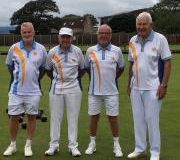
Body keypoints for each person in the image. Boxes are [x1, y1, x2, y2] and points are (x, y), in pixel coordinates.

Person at [127, 12, 171, 160]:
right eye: (139, 24)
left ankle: (155, 152)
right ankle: (140, 148)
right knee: (138, 119)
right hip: (136, 87)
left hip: (153, 86)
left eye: (144, 24)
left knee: (152, 119)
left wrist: (163, 85)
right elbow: (131, 64)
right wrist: (129, 85)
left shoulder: (160, 39)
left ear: (151, 25)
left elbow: (167, 62)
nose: (141, 27)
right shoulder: (133, 40)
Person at [3, 22, 47, 157]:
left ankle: (28, 145)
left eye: (29, 32)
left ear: (34, 32)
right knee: (14, 118)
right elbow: (10, 66)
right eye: (24, 33)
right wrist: (19, 77)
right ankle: (13, 145)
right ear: (21, 34)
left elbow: (43, 68)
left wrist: (33, 79)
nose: (27, 34)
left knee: (32, 117)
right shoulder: (13, 48)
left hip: (33, 91)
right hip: (16, 91)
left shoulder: (41, 49)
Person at [84, 24, 125, 157]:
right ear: (97, 35)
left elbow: (121, 68)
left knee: (113, 118)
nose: (104, 35)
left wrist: (111, 79)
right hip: (94, 92)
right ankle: (92, 144)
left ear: (110, 35)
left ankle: (116, 145)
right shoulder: (90, 50)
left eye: (106, 33)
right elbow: (86, 68)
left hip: (111, 92)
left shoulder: (117, 50)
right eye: (101, 33)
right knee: (94, 118)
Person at [44, 27, 85, 157]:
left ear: (72, 38)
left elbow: (82, 69)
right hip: (56, 89)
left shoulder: (77, 51)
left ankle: (73, 146)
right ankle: (53, 146)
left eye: (68, 37)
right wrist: (58, 80)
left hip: (74, 89)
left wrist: (71, 81)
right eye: (63, 37)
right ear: (59, 38)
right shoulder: (52, 52)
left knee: (73, 118)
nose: (65, 39)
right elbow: (48, 70)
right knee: (55, 118)